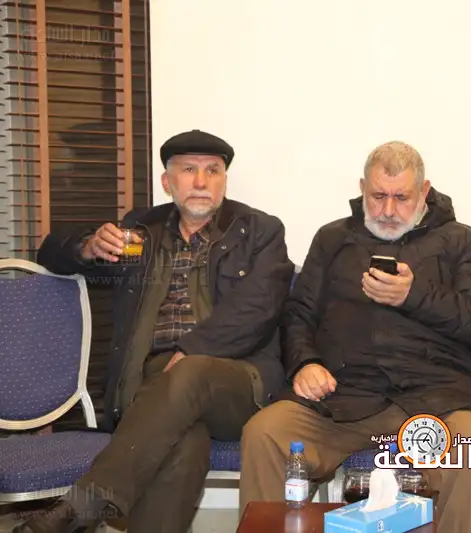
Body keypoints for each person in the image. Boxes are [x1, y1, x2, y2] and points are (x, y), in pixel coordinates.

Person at [16, 130, 294, 533]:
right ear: (167, 181)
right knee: (184, 441)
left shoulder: (259, 231)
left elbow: (258, 309)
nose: (201, 181)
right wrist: (87, 247)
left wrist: (191, 351)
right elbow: (51, 252)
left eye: (213, 171)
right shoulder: (140, 231)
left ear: (224, 180)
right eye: (189, 170)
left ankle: (81, 509)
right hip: (153, 385)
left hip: (238, 381)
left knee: (192, 371)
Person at [239, 141, 471, 533]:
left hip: (435, 404)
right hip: (340, 400)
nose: (388, 210)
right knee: (264, 433)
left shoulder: (462, 241)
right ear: (363, 188)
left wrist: (415, 295)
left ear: (424, 192)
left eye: (401, 197)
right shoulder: (333, 239)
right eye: (378, 196)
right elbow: (297, 315)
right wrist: (305, 363)